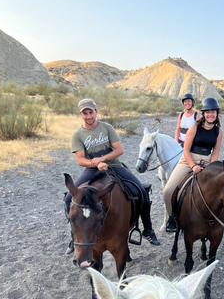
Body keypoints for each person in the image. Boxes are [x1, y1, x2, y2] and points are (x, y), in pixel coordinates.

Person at [64, 99, 160, 256]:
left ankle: (148, 229)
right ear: (81, 114)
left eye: (91, 112)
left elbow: (119, 150)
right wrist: (94, 163)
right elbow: (81, 159)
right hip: (91, 170)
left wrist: (102, 159)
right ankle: (74, 235)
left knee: (141, 191)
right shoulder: (78, 135)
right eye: (85, 113)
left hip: (115, 166)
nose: (89, 116)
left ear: (96, 111)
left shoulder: (107, 127)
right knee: (69, 199)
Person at [163, 97, 223, 232]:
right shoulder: (194, 127)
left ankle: (221, 218)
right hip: (188, 160)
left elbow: (215, 153)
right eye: (207, 112)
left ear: (217, 113)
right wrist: (193, 166)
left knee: (222, 187)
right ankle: (172, 218)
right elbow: (185, 150)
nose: (210, 114)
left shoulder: (219, 132)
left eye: (213, 112)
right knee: (167, 190)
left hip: (208, 162)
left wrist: (211, 166)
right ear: (203, 113)